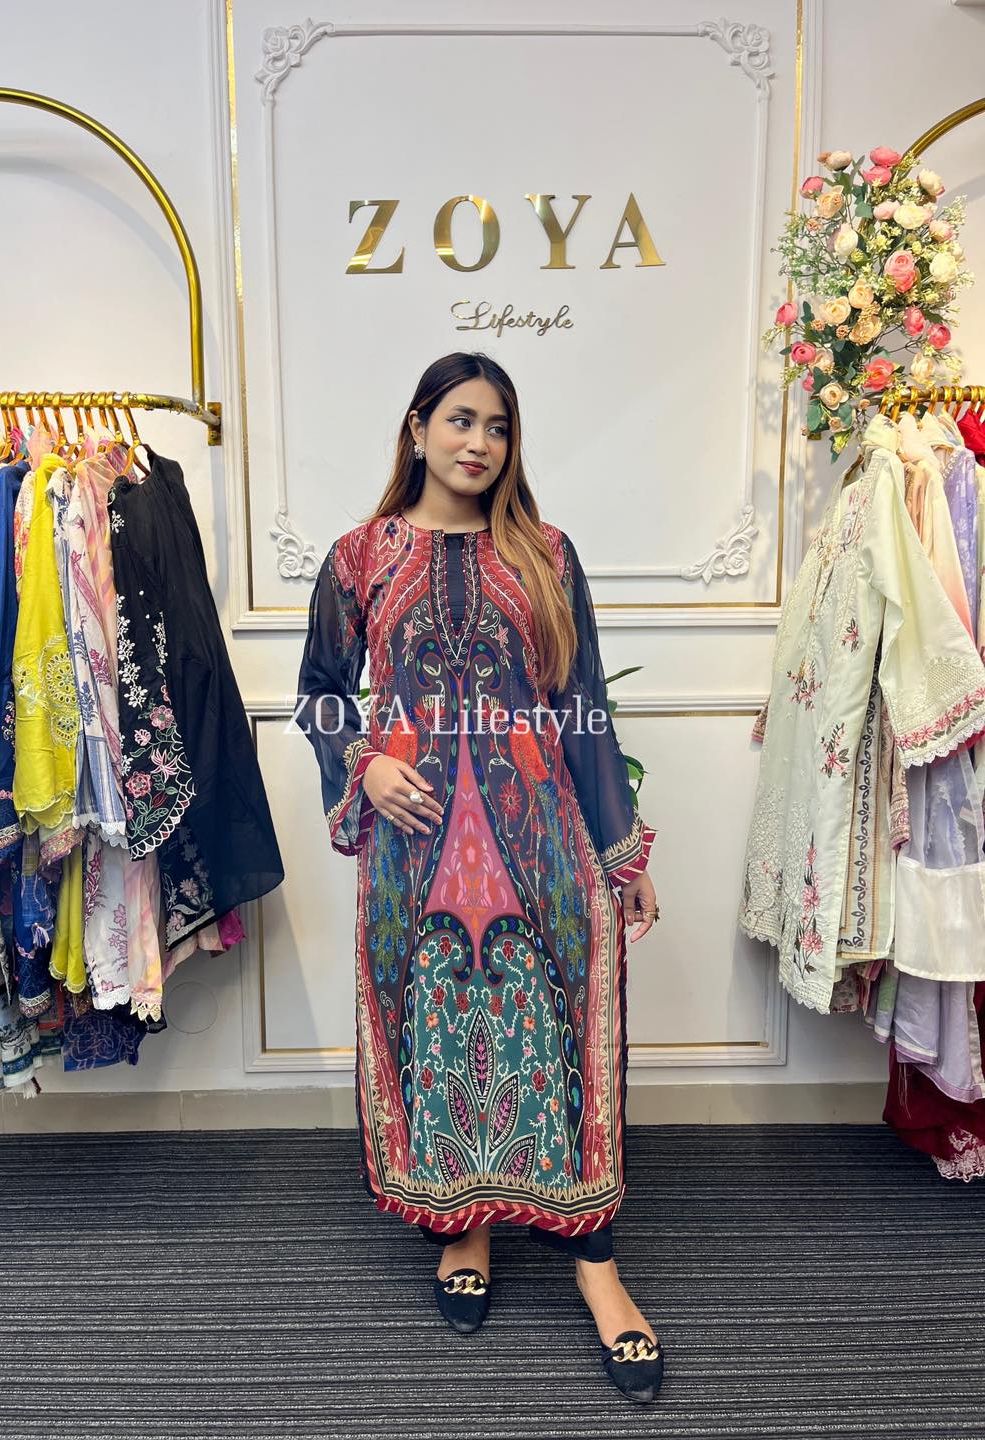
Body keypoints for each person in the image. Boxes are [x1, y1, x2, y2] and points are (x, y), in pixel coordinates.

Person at [295, 352, 662, 1402]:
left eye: (498, 427)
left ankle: (597, 1269)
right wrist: (364, 764)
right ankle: (466, 1226)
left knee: (562, 1040)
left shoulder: (545, 553)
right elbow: (319, 692)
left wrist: (621, 852)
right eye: (460, 420)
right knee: (439, 1032)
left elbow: (584, 707)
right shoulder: (360, 558)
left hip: (538, 840)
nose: (479, 443)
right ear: (417, 428)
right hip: (415, 854)